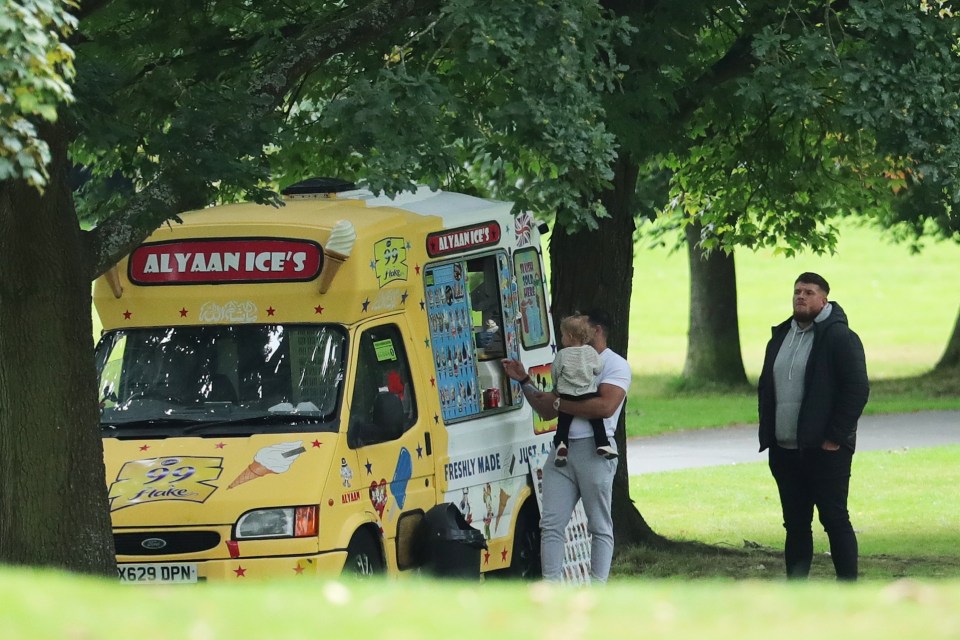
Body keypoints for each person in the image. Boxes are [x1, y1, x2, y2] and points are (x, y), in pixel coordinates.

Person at [502, 309, 631, 583]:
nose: (573, 335)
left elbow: (605, 407)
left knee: (598, 525)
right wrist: (525, 381)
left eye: (582, 326)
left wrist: (561, 404)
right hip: (563, 452)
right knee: (551, 523)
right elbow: (548, 409)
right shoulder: (569, 361)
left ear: (596, 331)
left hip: (595, 451)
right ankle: (551, 585)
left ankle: (597, 587)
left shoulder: (614, 364)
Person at [758, 272, 869, 581]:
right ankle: (797, 590)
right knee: (794, 524)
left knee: (834, 519)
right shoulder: (780, 336)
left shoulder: (840, 337)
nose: (801, 297)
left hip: (826, 451)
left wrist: (835, 437)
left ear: (824, 300)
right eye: (797, 291)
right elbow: (767, 389)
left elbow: (857, 390)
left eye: (808, 292)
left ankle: (848, 588)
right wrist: (769, 435)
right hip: (784, 450)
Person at [551, 314, 616, 466]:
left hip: (567, 395)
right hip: (588, 393)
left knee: (564, 422)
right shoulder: (590, 352)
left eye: (562, 335)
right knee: (596, 421)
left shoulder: (562, 354)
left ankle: (561, 445)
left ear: (570, 336)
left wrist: (556, 387)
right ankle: (602, 443)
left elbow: (555, 372)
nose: (562, 338)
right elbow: (598, 368)